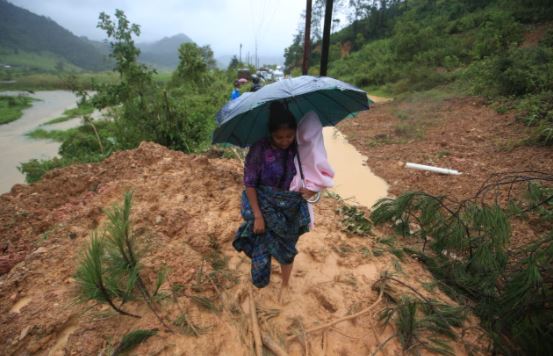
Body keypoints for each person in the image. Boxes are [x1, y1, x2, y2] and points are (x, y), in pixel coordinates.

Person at [233, 101, 315, 302]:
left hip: (290, 207)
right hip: (263, 203)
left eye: (289, 135)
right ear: (270, 133)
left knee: (288, 246)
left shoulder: (300, 148)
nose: (285, 141)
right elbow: (250, 183)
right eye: (279, 137)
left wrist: (312, 191)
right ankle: (263, 277)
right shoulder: (259, 150)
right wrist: (258, 215)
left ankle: (285, 284)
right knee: (263, 242)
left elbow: (314, 176)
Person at [289, 111, 335, 228]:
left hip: (294, 195)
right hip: (268, 197)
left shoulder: (308, 121)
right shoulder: (263, 127)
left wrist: (314, 187)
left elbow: (316, 155)